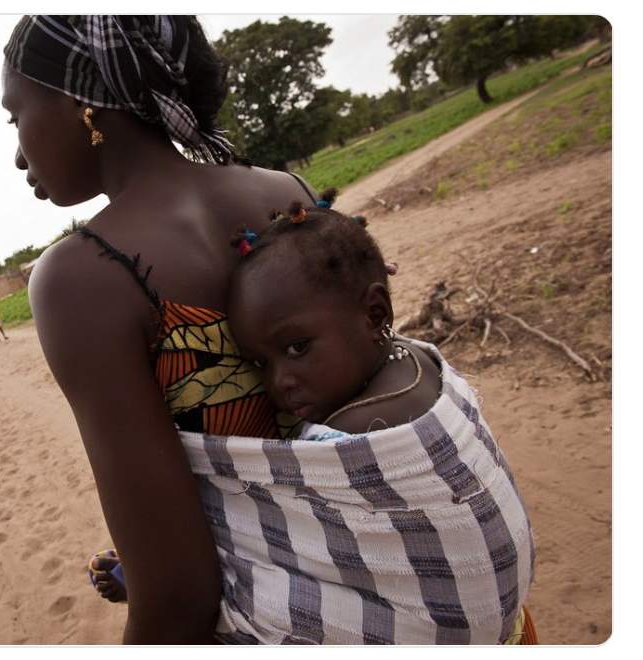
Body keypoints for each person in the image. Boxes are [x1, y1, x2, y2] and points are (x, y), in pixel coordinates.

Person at [3, 15, 325, 643]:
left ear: (81, 104)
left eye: (14, 117)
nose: (18, 154)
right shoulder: (287, 190)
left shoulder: (81, 276)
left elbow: (178, 596)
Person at [189, 190, 533, 643]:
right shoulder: (418, 362)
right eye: (260, 363)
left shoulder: (341, 438)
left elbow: (260, 539)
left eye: (297, 348)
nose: (279, 381)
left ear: (375, 313)